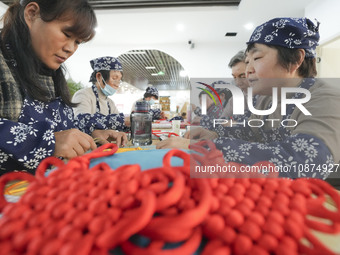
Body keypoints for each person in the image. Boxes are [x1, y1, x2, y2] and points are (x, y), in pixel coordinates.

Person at [157, 17, 340, 179]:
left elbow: (303, 161)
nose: (248, 70)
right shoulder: (264, 99)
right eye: (247, 62)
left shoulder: (326, 100)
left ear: (295, 60)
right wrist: (214, 134)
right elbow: (248, 131)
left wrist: (203, 147)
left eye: (257, 57)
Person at [0, 0, 126, 175]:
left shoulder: (50, 72)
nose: (70, 49)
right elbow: (52, 138)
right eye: (66, 34)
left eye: (77, 42)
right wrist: (46, 142)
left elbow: (61, 128)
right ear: (31, 14)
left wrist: (92, 136)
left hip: (50, 187)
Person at [72, 56, 130, 134]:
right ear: (99, 77)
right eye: (114, 78)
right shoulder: (83, 95)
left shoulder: (110, 102)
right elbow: (82, 121)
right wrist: (122, 120)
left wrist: (130, 122)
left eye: (119, 80)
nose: (117, 85)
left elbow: (119, 123)